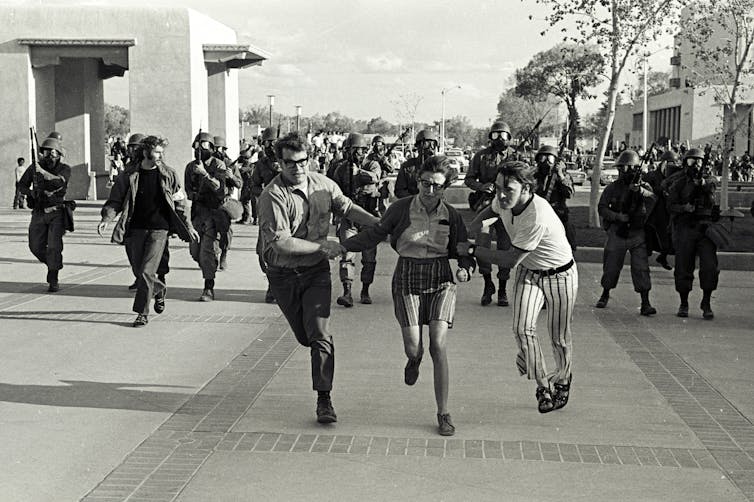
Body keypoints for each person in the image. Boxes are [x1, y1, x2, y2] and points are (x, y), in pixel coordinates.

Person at [342, 155, 475, 436]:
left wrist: (465, 268)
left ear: (445, 189)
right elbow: (375, 234)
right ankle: (414, 359)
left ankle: (443, 412)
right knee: (414, 346)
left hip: (440, 278)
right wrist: (344, 247)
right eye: (425, 184)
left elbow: (462, 249)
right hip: (407, 275)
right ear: (418, 182)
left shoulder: (451, 215)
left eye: (437, 186)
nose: (430, 191)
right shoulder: (400, 209)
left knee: (438, 345)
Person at [256, 132, 379, 424]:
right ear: (279, 164)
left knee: (320, 334)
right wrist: (326, 247)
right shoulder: (272, 196)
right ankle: (316, 353)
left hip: (315, 272)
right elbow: (283, 243)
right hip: (283, 274)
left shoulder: (324, 185)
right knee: (305, 336)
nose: (297, 168)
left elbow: (347, 207)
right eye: (289, 163)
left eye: (302, 161)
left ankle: (324, 398)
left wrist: (380, 224)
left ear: (309, 159)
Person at [459, 160, 577, 414]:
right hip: (530, 272)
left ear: (526, 189)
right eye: (498, 187)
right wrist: (473, 231)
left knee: (558, 336)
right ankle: (543, 385)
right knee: (522, 329)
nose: (501, 195)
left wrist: (472, 249)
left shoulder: (537, 215)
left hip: (559, 275)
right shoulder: (504, 200)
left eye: (508, 190)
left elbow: (509, 260)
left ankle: (564, 380)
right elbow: (487, 214)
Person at [98, 136, 198, 327]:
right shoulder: (129, 175)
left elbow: (180, 203)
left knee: (146, 271)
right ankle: (158, 289)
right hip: (135, 229)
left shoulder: (169, 174)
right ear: (145, 152)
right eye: (157, 152)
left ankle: (142, 313)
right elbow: (115, 199)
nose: (161, 156)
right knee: (139, 271)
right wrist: (107, 218)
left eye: (162, 152)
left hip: (159, 229)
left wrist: (189, 226)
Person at [595, 149, 658, 316]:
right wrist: (617, 216)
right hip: (617, 232)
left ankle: (645, 302)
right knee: (611, 267)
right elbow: (601, 208)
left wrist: (640, 191)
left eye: (630, 168)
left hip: (637, 233)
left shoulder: (644, 187)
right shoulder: (612, 188)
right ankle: (605, 293)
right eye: (623, 168)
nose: (626, 171)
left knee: (641, 268)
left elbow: (653, 199)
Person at [184, 132, 242, 301]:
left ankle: (208, 287)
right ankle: (210, 265)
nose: (198, 149)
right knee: (195, 252)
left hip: (214, 213)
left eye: (203, 145)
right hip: (197, 213)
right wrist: (194, 195)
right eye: (196, 145)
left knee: (207, 251)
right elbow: (188, 190)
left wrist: (205, 175)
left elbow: (221, 189)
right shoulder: (190, 167)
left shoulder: (220, 165)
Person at [465, 120, 516, 307]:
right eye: (496, 135)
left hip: (506, 208)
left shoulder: (515, 157)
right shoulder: (480, 156)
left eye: (503, 135)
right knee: (482, 246)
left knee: (505, 247)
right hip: (485, 207)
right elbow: (469, 179)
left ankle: (502, 288)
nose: (499, 138)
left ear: (509, 138)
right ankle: (488, 284)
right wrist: (482, 186)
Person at [666, 148, 720, 319]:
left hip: (705, 228)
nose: (695, 165)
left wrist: (702, 185)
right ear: (685, 163)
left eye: (698, 161)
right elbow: (670, 205)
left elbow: (712, 193)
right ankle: (684, 302)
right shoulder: (679, 182)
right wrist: (684, 207)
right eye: (691, 161)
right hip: (686, 227)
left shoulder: (709, 180)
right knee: (683, 266)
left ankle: (706, 302)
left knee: (710, 267)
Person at [331, 132, 382, 306]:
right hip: (348, 218)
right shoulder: (340, 169)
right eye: (351, 150)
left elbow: (375, 177)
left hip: (368, 217)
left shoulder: (373, 164)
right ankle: (347, 292)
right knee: (347, 254)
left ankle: (365, 290)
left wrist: (359, 172)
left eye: (359, 150)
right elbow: (335, 192)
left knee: (369, 258)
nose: (355, 154)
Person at [16, 136, 71, 292]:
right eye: (45, 153)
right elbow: (21, 185)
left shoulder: (65, 168)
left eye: (52, 153)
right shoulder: (35, 167)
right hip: (39, 212)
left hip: (56, 212)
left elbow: (60, 182)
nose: (49, 156)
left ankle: (53, 276)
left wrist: (42, 172)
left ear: (59, 154)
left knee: (54, 246)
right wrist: (31, 192)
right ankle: (52, 264)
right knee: (35, 246)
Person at [250, 127, 282, 303]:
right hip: (267, 212)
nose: (271, 146)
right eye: (268, 143)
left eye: (274, 142)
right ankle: (272, 282)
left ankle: (277, 286)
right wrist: (262, 191)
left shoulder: (288, 161)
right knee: (263, 252)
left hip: (286, 213)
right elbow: (253, 185)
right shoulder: (261, 164)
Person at [533, 145, 576, 251]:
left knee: (567, 240)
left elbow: (569, 193)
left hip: (558, 215)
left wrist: (560, 175)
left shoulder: (562, 176)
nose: (546, 162)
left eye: (550, 159)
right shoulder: (534, 176)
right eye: (542, 158)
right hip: (539, 216)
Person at [394, 129, 438, 199]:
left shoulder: (438, 167)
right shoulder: (408, 167)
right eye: (426, 144)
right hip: (412, 205)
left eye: (433, 145)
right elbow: (399, 191)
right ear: (418, 146)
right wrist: (416, 199)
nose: (430, 148)